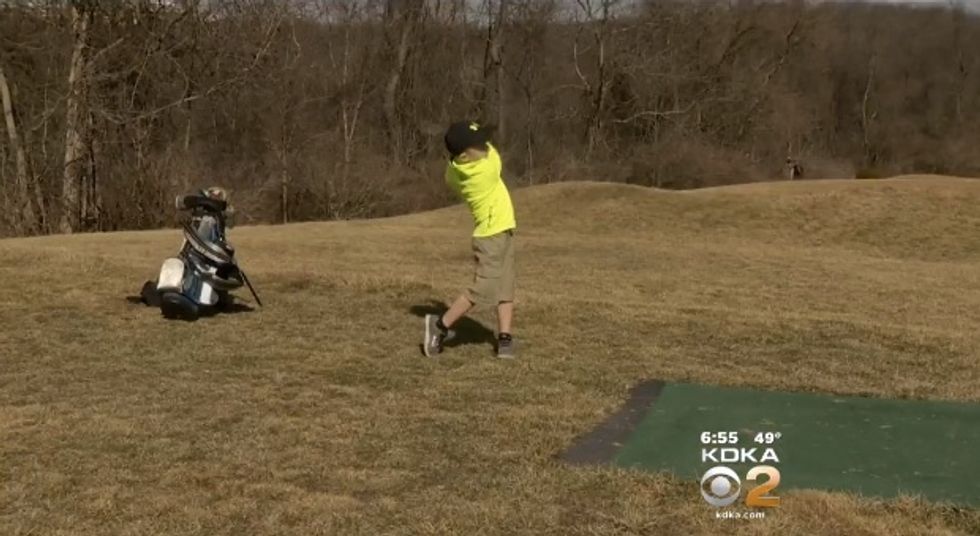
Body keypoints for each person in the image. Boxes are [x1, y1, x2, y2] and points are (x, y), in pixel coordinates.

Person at [423, 121, 517, 359]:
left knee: (506, 285)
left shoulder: (453, 172)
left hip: (503, 229)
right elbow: (494, 153)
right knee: (483, 288)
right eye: (478, 144)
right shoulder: (486, 170)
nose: (485, 145)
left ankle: (505, 338)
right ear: (465, 156)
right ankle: (440, 326)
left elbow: (456, 163)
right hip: (490, 237)